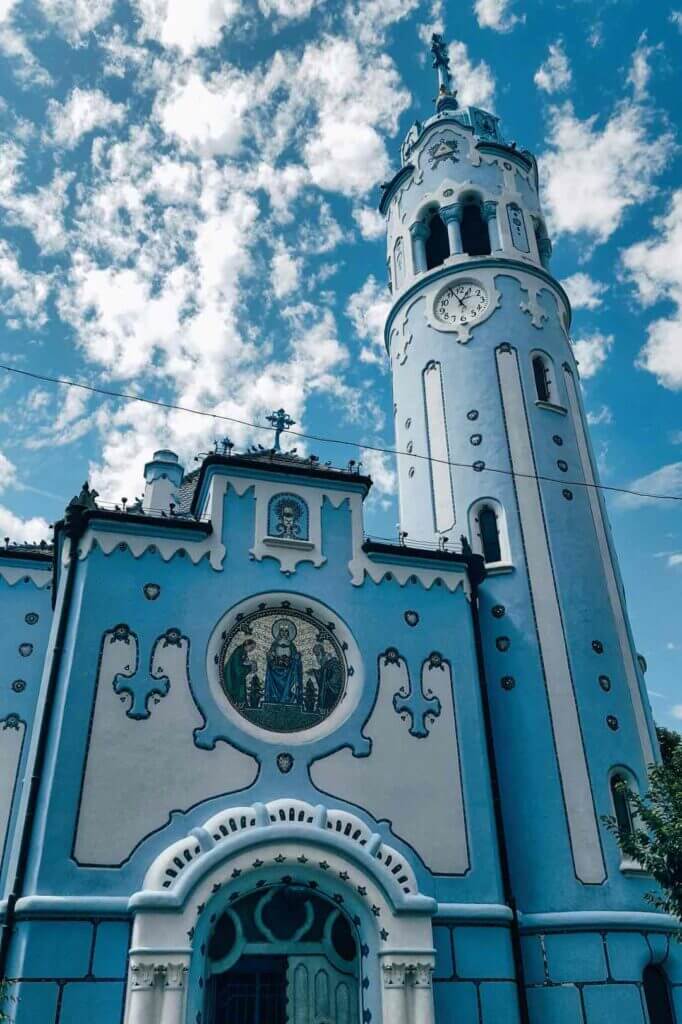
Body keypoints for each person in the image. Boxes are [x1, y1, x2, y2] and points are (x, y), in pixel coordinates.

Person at [264, 620, 302, 704]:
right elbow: (271, 656)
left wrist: (297, 657)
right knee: (275, 685)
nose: (284, 633)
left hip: (288, 670)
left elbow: (295, 657)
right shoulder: (274, 644)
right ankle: (274, 700)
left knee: (289, 683)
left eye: (286, 632)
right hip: (275, 670)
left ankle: (287, 700)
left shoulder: (291, 645)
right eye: (282, 631)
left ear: (288, 633)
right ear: (279, 633)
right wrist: (270, 656)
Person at [223, 638, 256, 706]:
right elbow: (237, 669)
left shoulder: (243, 651)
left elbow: (244, 662)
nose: (252, 649)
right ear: (247, 645)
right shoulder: (239, 651)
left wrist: (251, 663)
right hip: (232, 677)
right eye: (252, 647)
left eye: (253, 648)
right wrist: (250, 668)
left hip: (235, 676)